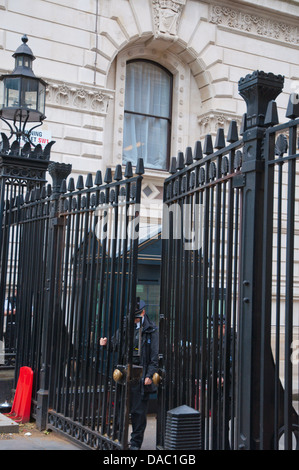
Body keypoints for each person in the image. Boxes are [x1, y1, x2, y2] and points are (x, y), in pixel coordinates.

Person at [100, 299, 159, 450]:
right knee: (120, 409)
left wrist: (149, 375)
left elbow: (154, 358)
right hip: (125, 375)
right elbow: (116, 344)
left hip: (141, 375)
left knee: (138, 413)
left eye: (136, 316)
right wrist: (107, 344)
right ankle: (119, 440)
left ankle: (135, 445)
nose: (132, 319)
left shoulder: (152, 330)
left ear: (143, 313)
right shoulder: (126, 327)